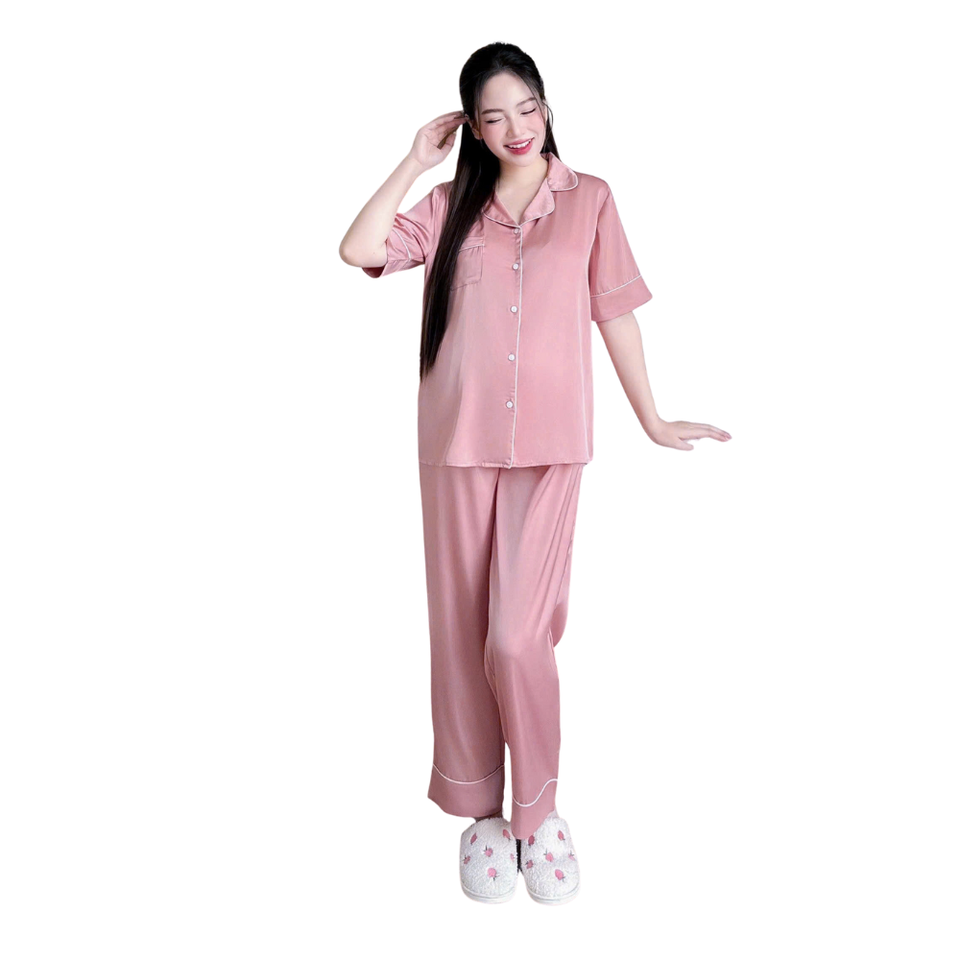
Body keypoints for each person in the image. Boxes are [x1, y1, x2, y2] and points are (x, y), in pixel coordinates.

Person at [339, 43, 731, 905]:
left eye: (526, 108)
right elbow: (356, 247)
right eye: (493, 117)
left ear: (546, 107)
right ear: (473, 130)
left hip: (551, 447)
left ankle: (539, 810)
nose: (515, 128)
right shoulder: (449, 205)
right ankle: (479, 809)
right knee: (460, 633)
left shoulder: (590, 200)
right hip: (455, 445)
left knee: (517, 637)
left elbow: (614, 314)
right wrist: (414, 161)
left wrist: (652, 417)